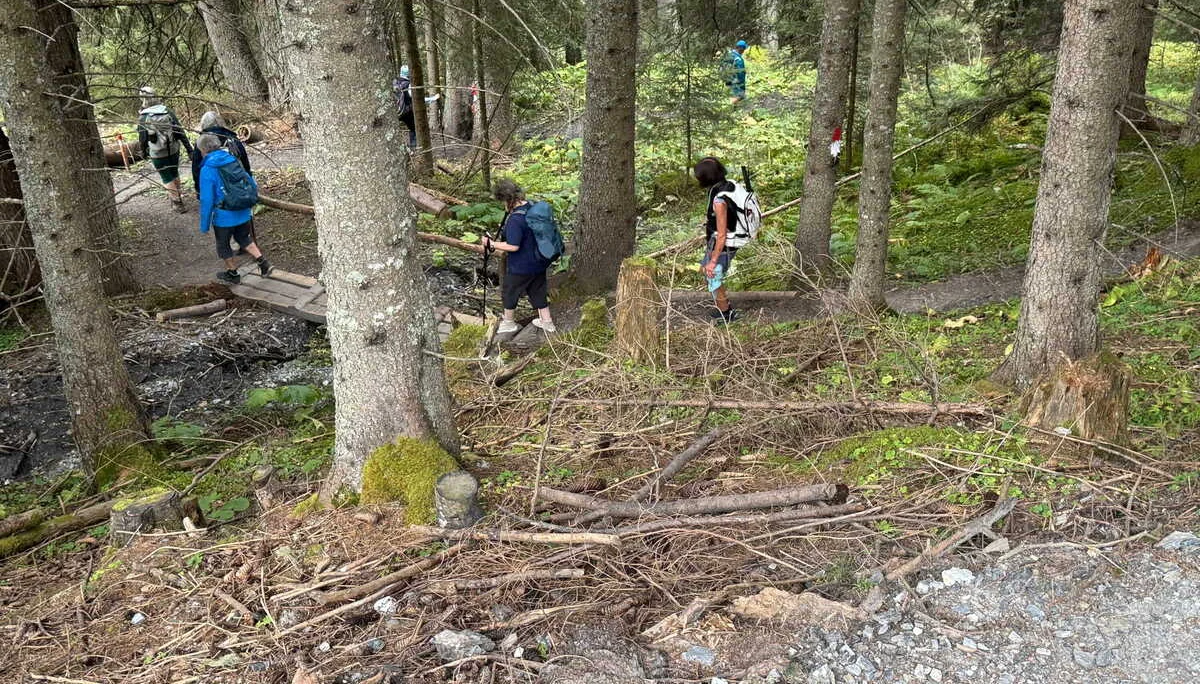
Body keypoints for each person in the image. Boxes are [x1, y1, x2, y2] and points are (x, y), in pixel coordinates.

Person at [481, 179, 556, 334]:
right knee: (537, 290)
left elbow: (513, 246)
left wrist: (491, 244)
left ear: (506, 199)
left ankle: (508, 323)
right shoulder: (531, 206)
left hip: (522, 266)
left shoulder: (516, 219)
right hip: (539, 261)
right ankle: (547, 322)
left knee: (510, 291)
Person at [196, 134, 271, 284]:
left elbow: (207, 199)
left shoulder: (208, 168)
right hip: (242, 211)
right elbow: (249, 181)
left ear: (203, 149)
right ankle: (262, 262)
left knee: (223, 245)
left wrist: (204, 224)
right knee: (244, 238)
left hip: (224, 217)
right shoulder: (232, 159)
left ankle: (233, 273)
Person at [191, 111, 256, 249]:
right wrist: (250, 183)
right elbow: (245, 163)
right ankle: (245, 239)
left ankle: (232, 242)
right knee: (241, 208)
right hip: (240, 184)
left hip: (219, 187)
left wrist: (199, 190)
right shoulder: (233, 138)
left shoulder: (202, 142)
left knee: (224, 211)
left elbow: (196, 169)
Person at [695, 157, 740, 324]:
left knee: (712, 275)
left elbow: (722, 234)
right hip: (724, 241)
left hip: (724, 244)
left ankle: (726, 315)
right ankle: (725, 307)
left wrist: (713, 260)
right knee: (708, 272)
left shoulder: (719, 200)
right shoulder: (726, 186)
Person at [136, 86, 193, 213]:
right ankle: (178, 197)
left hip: (158, 154)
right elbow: (180, 131)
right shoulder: (167, 111)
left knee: (166, 177)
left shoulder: (143, 117)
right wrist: (189, 149)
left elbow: (143, 139)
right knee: (174, 173)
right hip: (173, 150)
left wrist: (143, 152)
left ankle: (177, 204)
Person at [393, 65, 416, 148]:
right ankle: (413, 147)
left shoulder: (394, 82)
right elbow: (414, 97)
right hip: (406, 111)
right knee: (413, 128)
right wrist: (432, 99)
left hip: (395, 111)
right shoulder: (408, 84)